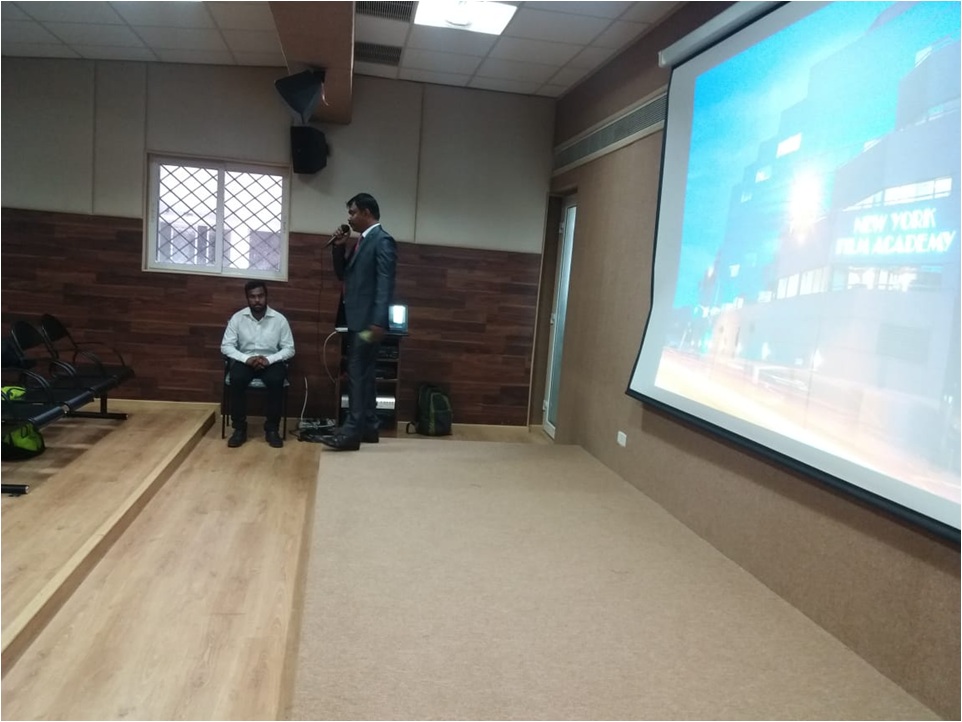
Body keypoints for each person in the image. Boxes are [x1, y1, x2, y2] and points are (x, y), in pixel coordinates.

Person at [321, 192, 398, 451]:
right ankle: (369, 427)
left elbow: (385, 284)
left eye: (353, 212)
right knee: (364, 374)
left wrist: (379, 321)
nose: (349, 218)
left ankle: (351, 432)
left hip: (368, 324)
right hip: (358, 320)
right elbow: (343, 274)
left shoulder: (382, 241)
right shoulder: (361, 242)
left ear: (366, 212)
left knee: (355, 372)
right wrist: (339, 246)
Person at [221, 280, 295, 449]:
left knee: (276, 380)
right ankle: (239, 429)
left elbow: (289, 349)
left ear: (266, 296)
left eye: (260, 296)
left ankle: (272, 429)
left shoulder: (279, 320)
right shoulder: (238, 318)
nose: (257, 300)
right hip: (245, 360)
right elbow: (226, 346)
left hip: (271, 361)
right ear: (247, 298)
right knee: (237, 378)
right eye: (252, 297)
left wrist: (269, 360)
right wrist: (246, 358)